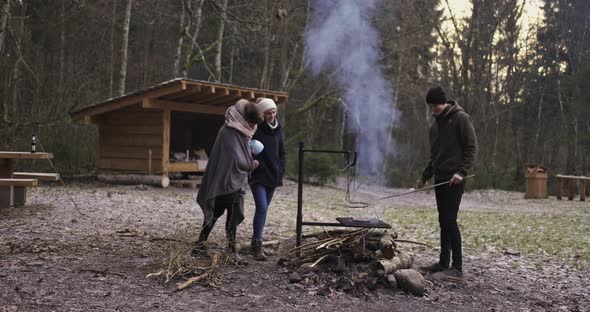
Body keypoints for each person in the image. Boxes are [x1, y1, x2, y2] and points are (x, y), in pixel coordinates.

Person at [415, 86, 477, 279]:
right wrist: (424, 177)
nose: (433, 109)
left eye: (434, 105)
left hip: (454, 180)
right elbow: (435, 157)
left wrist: (461, 172)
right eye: (431, 106)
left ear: (442, 102)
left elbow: (471, 147)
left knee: (450, 221)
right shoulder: (434, 127)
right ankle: (443, 262)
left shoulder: (461, 118)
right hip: (440, 179)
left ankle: (457, 268)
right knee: (443, 221)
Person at [193, 99, 263, 265]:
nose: (253, 127)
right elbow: (237, 159)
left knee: (222, 214)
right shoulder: (230, 131)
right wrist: (252, 164)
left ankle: (203, 245)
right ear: (246, 118)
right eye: (252, 123)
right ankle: (226, 250)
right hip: (226, 181)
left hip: (234, 181)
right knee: (221, 215)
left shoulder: (240, 130)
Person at [248, 98, 286, 261]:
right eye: (268, 113)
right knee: (262, 208)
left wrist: (281, 169)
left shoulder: (278, 129)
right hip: (258, 176)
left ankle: (255, 242)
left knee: (263, 210)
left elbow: (282, 153)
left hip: (273, 176)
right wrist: (256, 164)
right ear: (262, 114)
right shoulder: (256, 128)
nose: (272, 115)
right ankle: (257, 245)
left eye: (274, 112)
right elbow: (248, 148)